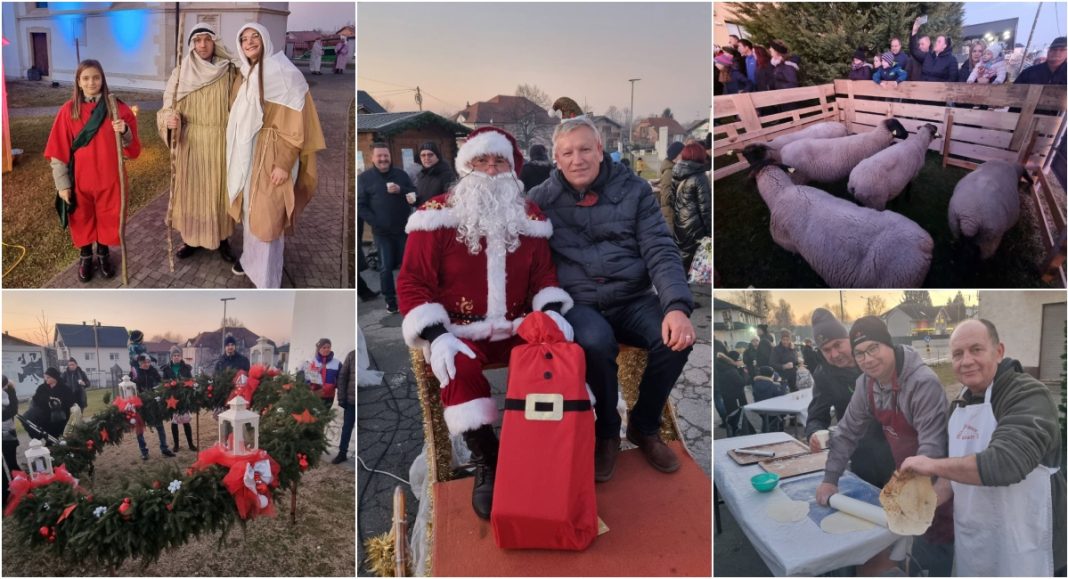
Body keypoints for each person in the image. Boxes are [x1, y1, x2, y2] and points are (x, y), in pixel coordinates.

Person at [396, 126, 574, 519]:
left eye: (500, 162)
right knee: (455, 365)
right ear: (466, 166)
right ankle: (488, 458)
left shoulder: (530, 217)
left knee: (556, 359)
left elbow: (545, 276)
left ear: (512, 170)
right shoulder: (435, 216)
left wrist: (550, 313)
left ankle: (537, 445)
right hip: (459, 329)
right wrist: (437, 334)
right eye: (482, 161)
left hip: (518, 326)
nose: (491, 171)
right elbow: (412, 282)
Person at [528, 117, 695, 482]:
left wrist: (677, 307)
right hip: (580, 302)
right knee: (593, 342)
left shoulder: (634, 190)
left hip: (632, 297)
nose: (578, 159)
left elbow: (660, 250)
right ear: (556, 158)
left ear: (600, 150)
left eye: (586, 149)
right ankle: (606, 431)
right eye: (568, 153)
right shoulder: (541, 200)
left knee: (676, 340)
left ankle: (644, 425)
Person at [901, 319, 1065, 576]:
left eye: (976, 349)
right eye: (957, 354)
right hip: (977, 541)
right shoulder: (959, 406)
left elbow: (1006, 464)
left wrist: (929, 464)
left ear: (998, 352)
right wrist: (925, 504)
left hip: (1027, 540)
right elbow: (950, 475)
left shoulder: (1028, 394)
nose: (966, 361)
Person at [816, 316, 953, 576]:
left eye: (873, 348)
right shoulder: (866, 384)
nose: (867, 359)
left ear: (888, 344)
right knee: (897, 546)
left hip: (937, 483)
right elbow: (846, 433)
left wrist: (908, 492)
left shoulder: (922, 383)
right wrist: (830, 478)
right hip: (906, 476)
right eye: (859, 353)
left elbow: (931, 448)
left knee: (932, 551)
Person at [226, 23, 326, 287]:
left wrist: (283, 163)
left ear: (265, 39)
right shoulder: (246, 74)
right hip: (249, 153)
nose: (249, 42)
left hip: (272, 154)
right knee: (251, 212)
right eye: (244, 38)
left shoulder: (282, 73)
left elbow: (295, 125)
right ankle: (251, 261)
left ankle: (267, 278)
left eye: (254, 36)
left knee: (269, 216)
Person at [45, 59, 141, 283]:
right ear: (78, 82)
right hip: (81, 181)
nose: (91, 82)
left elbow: (132, 147)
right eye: (86, 78)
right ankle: (86, 256)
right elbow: (58, 152)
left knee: (109, 217)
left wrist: (124, 130)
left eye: (96, 77)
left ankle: (104, 253)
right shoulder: (68, 111)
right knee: (82, 218)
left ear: (103, 79)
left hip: (110, 179)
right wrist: (62, 184)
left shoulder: (117, 108)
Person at [158, 22, 238, 264]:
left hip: (219, 142)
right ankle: (191, 240)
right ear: (192, 44)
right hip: (190, 142)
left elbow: (239, 106)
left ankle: (222, 238)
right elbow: (167, 106)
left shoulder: (229, 71)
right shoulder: (181, 73)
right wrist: (169, 120)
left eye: (207, 39)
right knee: (192, 192)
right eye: (197, 40)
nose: (202, 45)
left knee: (218, 192)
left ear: (214, 42)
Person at [804, 308, 894, 489]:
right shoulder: (824, 375)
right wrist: (814, 433)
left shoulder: (874, 360)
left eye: (838, 345)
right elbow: (816, 416)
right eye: (826, 350)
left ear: (849, 340)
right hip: (860, 453)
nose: (834, 354)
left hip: (894, 446)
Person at [357, 143, 416, 314]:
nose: (383, 159)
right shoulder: (365, 178)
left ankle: (411, 297)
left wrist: (401, 190)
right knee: (386, 267)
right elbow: (361, 206)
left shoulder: (401, 174)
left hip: (403, 230)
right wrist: (376, 222)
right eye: (379, 156)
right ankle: (391, 301)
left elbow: (414, 193)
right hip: (382, 232)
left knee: (408, 266)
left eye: (385, 156)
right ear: (372, 158)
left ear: (390, 156)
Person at [670, 142, 711, 271]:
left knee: (683, 258)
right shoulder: (700, 177)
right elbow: (706, 209)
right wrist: (710, 233)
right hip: (695, 226)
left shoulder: (676, 173)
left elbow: (672, 200)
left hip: (680, 223)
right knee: (697, 262)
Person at [132, 355, 176, 460]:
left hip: (153, 403)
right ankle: (144, 452)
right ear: (140, 364)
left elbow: (160, 383)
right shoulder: (135, 373)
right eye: (144, 363)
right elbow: (133, 388)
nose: (147, 364)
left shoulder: (153, 371)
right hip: (141, 404)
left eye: (148, 362)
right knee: (139, 429)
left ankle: (164, 448)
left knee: (160, 427)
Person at [161, 347, 196, 451]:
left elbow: (190, 380)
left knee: (186, 422)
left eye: (178, 355)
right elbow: (164, 382)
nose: (176, 357)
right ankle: (176, 445)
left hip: (183, 398)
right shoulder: (166, 369)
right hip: (172, 399)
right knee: (174, 422)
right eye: (174, 355)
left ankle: (190, 444)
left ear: (181, 356)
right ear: (171, 357)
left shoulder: (186, 368)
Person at [714, 340, 747, 437]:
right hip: (735, 397)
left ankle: (729, 426)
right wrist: (743, 371)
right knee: (736, 417)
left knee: (730, 415)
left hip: (727, 394)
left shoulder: (723, 368)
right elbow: (742, 382)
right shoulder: (731, 370)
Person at [910, 17, 959, 82]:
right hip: (923, 89)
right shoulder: (928, 56)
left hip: (939, 90)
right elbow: (914, 51)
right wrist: (914, 30)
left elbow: (953, 79)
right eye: (936, 41)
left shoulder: (951, 60)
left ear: (944, 46)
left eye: (939, 42)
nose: (936, 43)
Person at [300, 338, 342, 410]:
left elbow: (341, 379)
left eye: (328, 347)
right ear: (319, 348)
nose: (326, 349)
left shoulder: (337, 363)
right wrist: (310, 389)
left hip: (329, 396)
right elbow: (304, 378)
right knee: (313, 417)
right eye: (324, 347)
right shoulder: (310, 362)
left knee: (324, 417)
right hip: (313, 395)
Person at [330, 349, 355, 464]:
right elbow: (342, 377)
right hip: (351, 401)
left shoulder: (360, 352)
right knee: (347, 428)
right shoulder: (351, 355)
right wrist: (341, 397)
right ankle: (342, 453)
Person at [414, 142, 456, 207]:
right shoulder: (421, 175)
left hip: (439, 215)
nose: (426, 158)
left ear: (437, 156)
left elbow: (450, 199)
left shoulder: (446, 174)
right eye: (423, 155)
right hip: (423, 215)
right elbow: (422, 199)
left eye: (430, 155)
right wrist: (414, 201)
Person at [657, 141, 684, 236]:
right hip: (670, 214)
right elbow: (667, 196)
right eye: (682, 153)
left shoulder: (676, 169)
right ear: (676, 156)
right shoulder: (669, 172)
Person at [752, 365, 788, 432]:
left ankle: (765, 431)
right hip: (771, 410)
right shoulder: (772, 385)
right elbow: (781, 394)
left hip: (760, 409)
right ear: (771, 375)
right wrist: (783, 384)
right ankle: (778, 432)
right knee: (779, 415)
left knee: (766, 421)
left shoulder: (756, 384)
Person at [3, 376, 20, 505]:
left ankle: (22, 488)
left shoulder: (10, 390)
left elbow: (13, 409)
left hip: (8, 433)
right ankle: (4, 495)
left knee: (12, 463)